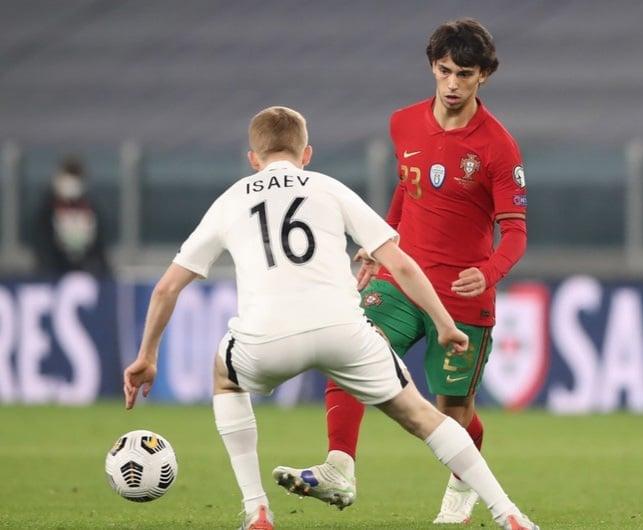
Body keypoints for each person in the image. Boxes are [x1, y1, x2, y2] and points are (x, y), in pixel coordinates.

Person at [122, 106, 537, 530]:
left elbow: (166, 289)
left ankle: (257, 509)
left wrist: (147, 356)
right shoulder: (328, 188)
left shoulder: (231, 200)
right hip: (342, 330)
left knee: (225, 378)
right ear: (306, 154)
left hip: (266, 338)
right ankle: (508, 514)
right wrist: (445, 324)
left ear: (253, 159)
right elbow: (402, 264)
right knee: (422, 413)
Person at [274, 18, 528, 525]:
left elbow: (516, 233)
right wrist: (378, 244)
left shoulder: (498, 146)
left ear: (484, 76)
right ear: (432, 67)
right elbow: (407, 189)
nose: (452, 84)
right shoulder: (403, 123)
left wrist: (489, 271)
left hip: (461, 295)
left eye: (465, 74)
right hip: (402, 280)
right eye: (444, 71)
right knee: (349, 352)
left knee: (453, 414)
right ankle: (339, 467)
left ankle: (463, 481)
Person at [33, 155, 110, 276]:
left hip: (86, 270)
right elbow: (42, 242)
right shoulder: (48, 208)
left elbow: (98, 244)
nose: (71, 185)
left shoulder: (91, 207)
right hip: (54, 270)